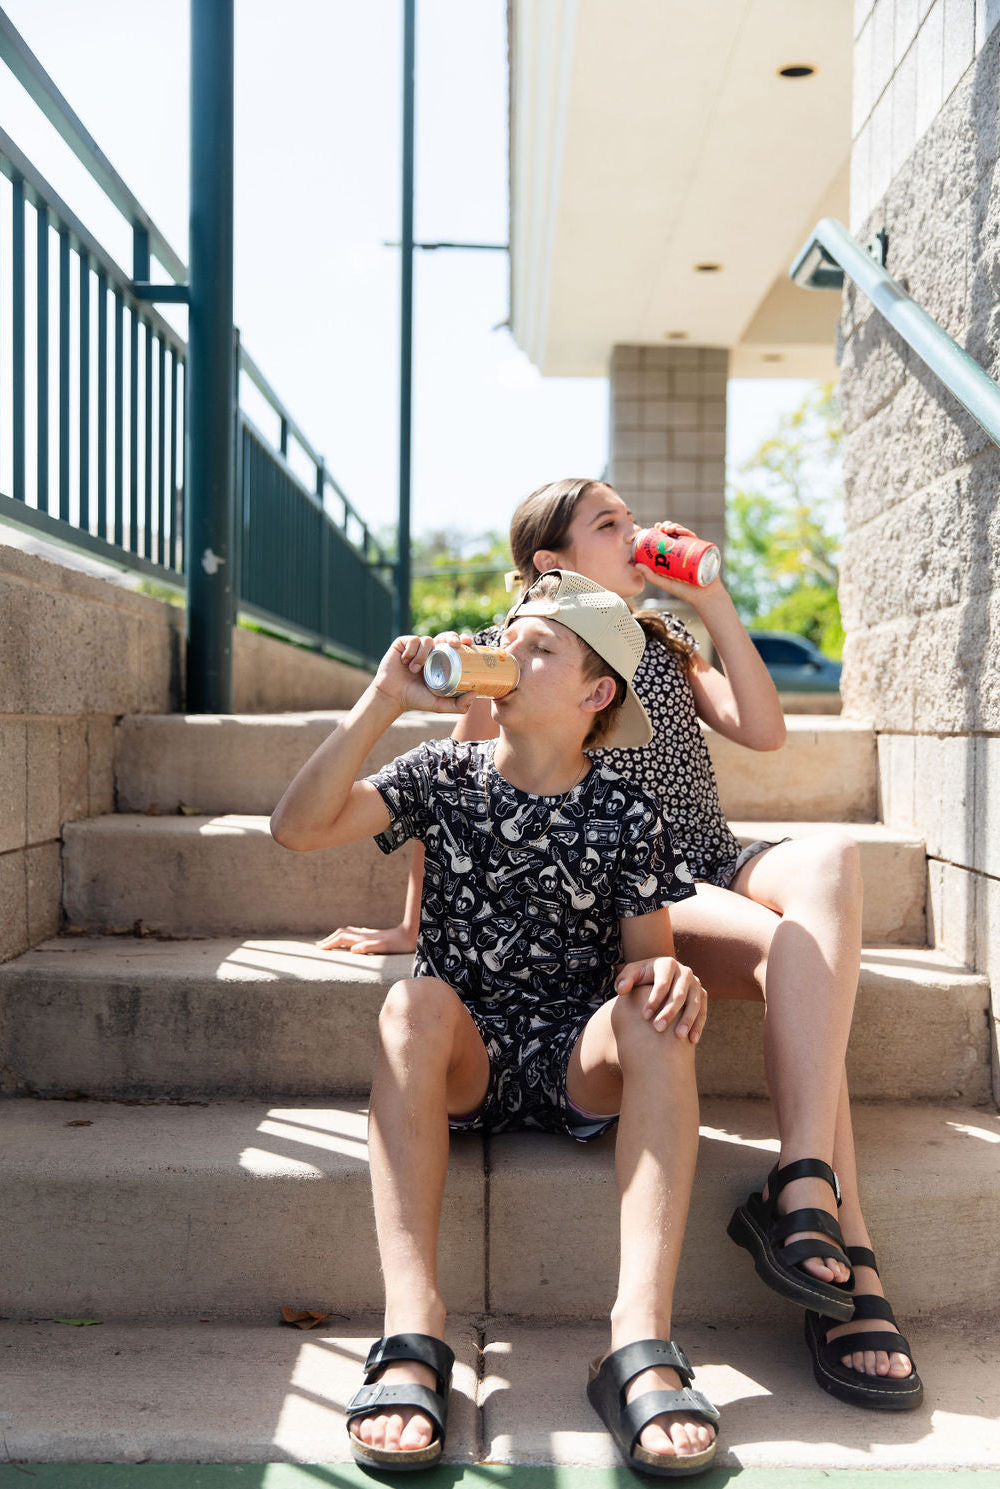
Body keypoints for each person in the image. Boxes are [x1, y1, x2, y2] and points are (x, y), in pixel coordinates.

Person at [320, 479, 922, 1413]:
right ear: (550, 564)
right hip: (647, 882)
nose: (636, 534)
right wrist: (414, 924)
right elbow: (465, 802)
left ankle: (804, 1179)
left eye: (633, 520)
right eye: (610, 525)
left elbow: (765, 730)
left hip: (710, 857)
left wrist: (710, 599)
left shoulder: (662, 641)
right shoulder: (513, 656)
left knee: (833, 862)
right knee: (800, 958)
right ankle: (846, 1239)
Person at [270, 571, 721, 1476]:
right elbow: (296, 827)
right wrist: (382, 700)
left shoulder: (628, 811)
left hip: (574, 1059)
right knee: (411, 1002)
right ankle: (414, 1330)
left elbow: (645, 961)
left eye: (539, 646)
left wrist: (670, 976)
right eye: (505, 636)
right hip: (464, 1055)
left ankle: (638, 1341)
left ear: (596, 696)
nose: (508, 651)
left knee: (655, 1009)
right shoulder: (443, 775)